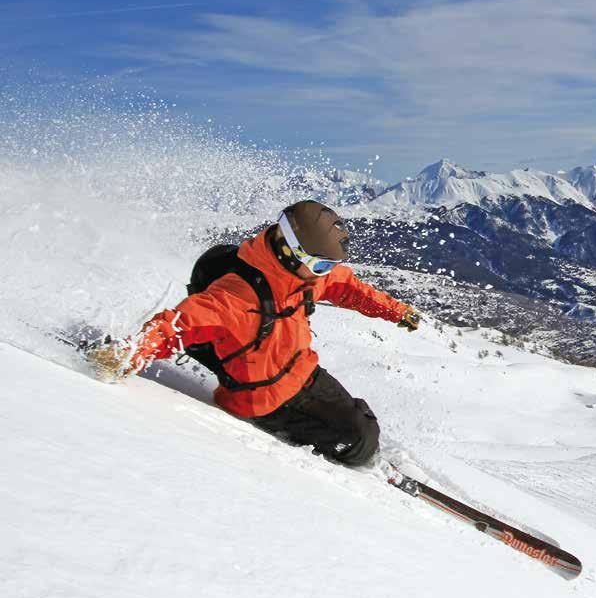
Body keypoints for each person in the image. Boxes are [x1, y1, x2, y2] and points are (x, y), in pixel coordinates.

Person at [87, 200, 420, 467]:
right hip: (264, 402)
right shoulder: (234, 298)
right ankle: (354, 451)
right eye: (321, 266)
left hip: (304, 375)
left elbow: (347, 286)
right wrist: (130, 354)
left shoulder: (303, 278)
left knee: (364, 429)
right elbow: (176, 325)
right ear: (290, 252)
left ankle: (354, 441)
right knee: (359, 442)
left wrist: (394, 311)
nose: (324, 275)